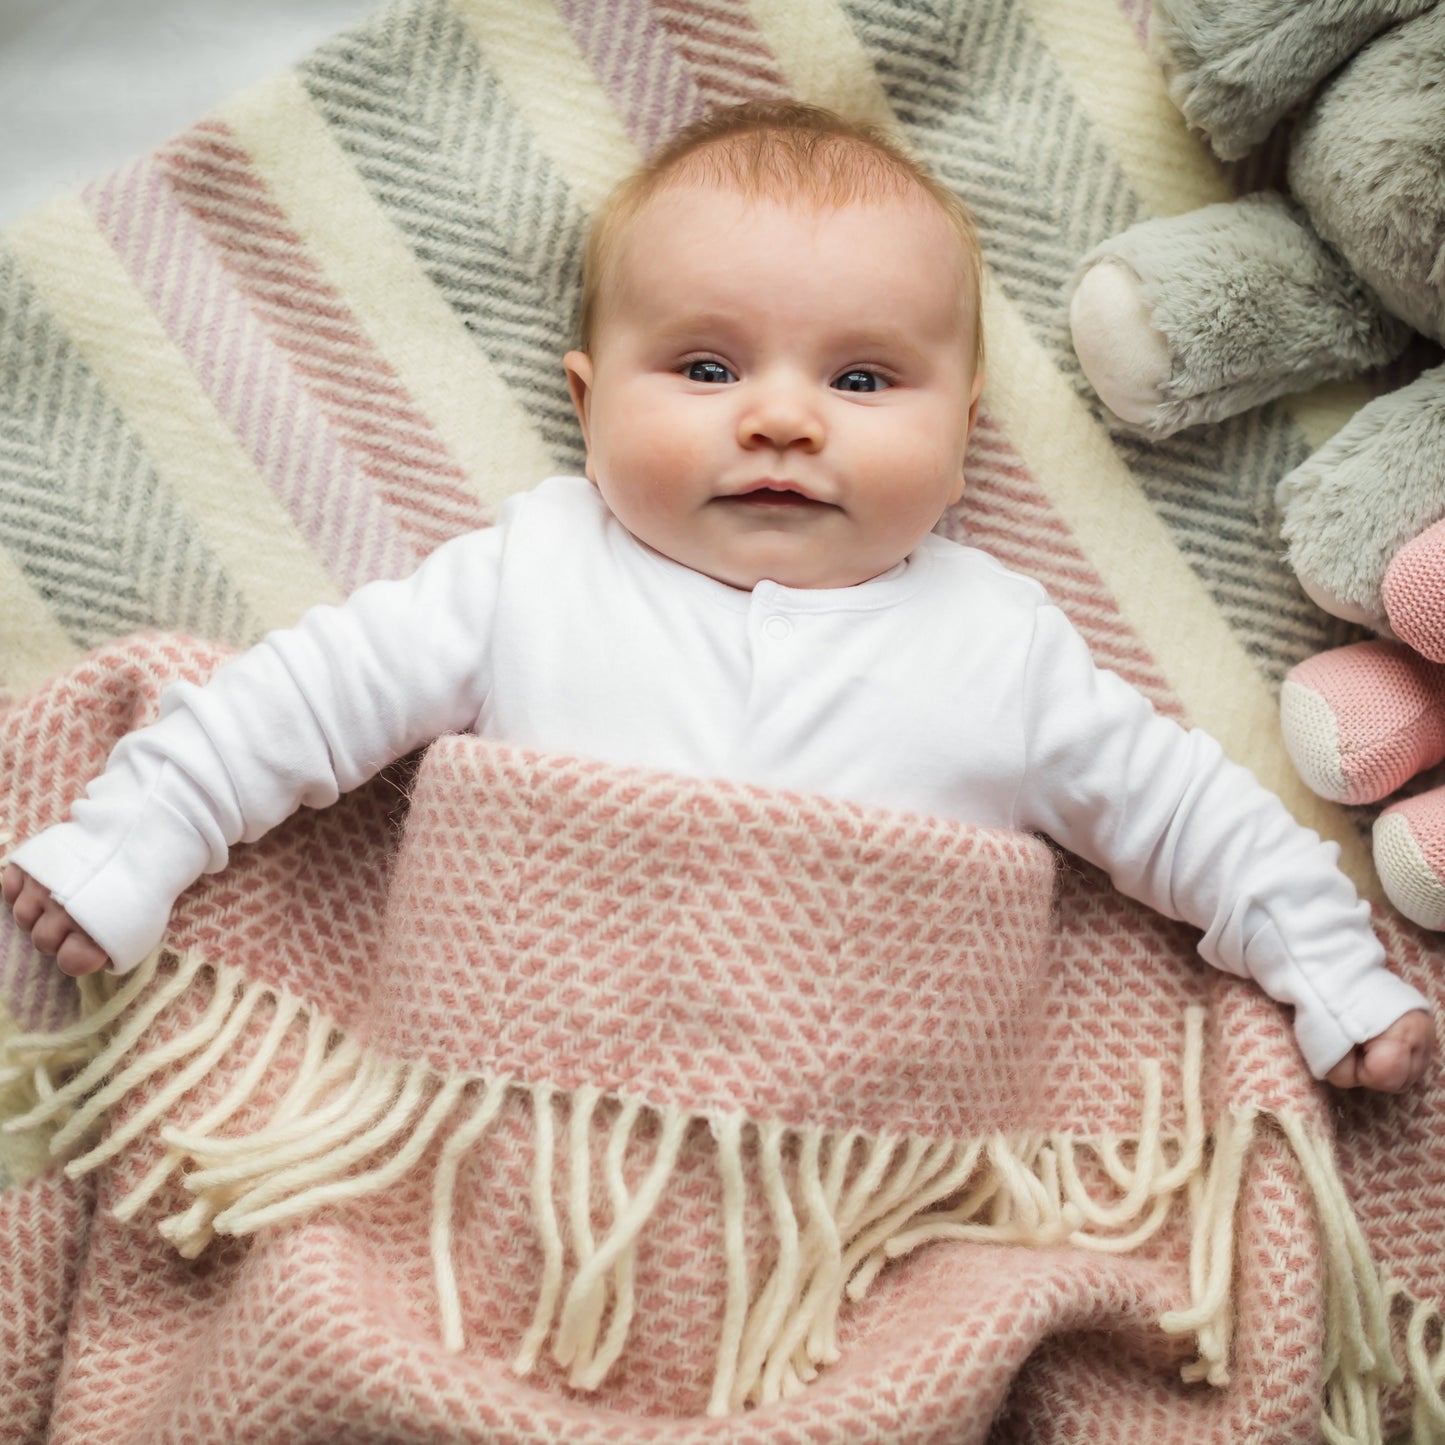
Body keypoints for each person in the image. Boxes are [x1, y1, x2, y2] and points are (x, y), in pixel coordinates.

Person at [2, 102, 1434, 1093]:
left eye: (861, 379)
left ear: (963, 444)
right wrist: (142, 834)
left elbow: (1186, 818)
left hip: (857, 1162)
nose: (781, 420)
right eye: (704, 368)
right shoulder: (532, 568)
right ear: (586, 403)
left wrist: (1329, 968)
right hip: (505, 1100)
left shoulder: (997, 640)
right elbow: (296, 705)